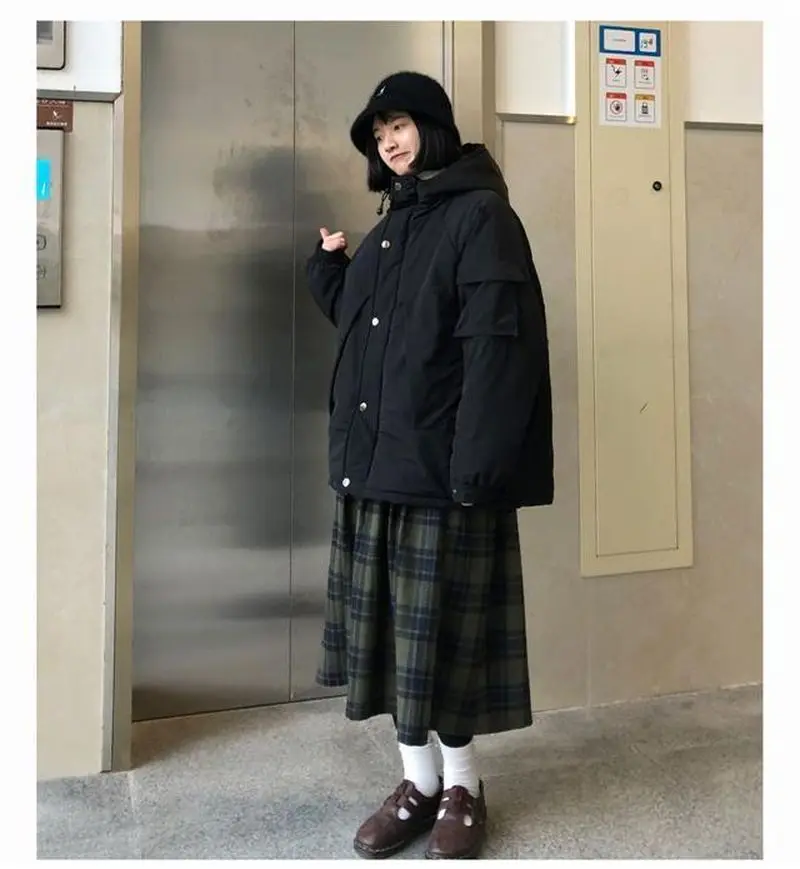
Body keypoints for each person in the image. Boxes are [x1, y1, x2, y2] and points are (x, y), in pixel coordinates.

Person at [306, 71, 554, 860]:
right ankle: (417, 782)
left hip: (444, 478)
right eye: (379, 133)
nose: (389, 142)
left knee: (443, 650)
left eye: (400, 125)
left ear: (434, 127)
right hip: (374, 469)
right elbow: (371, 327)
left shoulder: (481, 215)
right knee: (392, 648)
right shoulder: (393, 222)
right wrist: (329, 273)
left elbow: (499, 348)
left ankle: (463, 786)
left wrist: (476, 467)